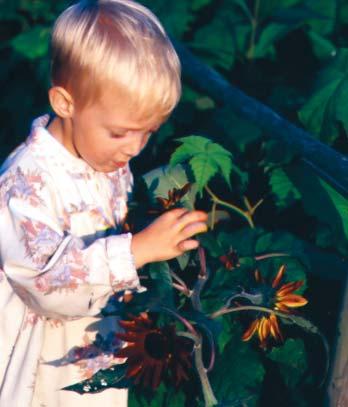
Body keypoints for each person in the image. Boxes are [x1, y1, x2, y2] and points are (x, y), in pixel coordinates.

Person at [0, 1, 208, 405]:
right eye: (120, 133)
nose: (134, 148)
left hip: (98, 346)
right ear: (65, 103)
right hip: (45, 363)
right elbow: (46, 285)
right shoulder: (24, 186)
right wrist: (136, 251)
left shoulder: (106, 158)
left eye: (148, 133)